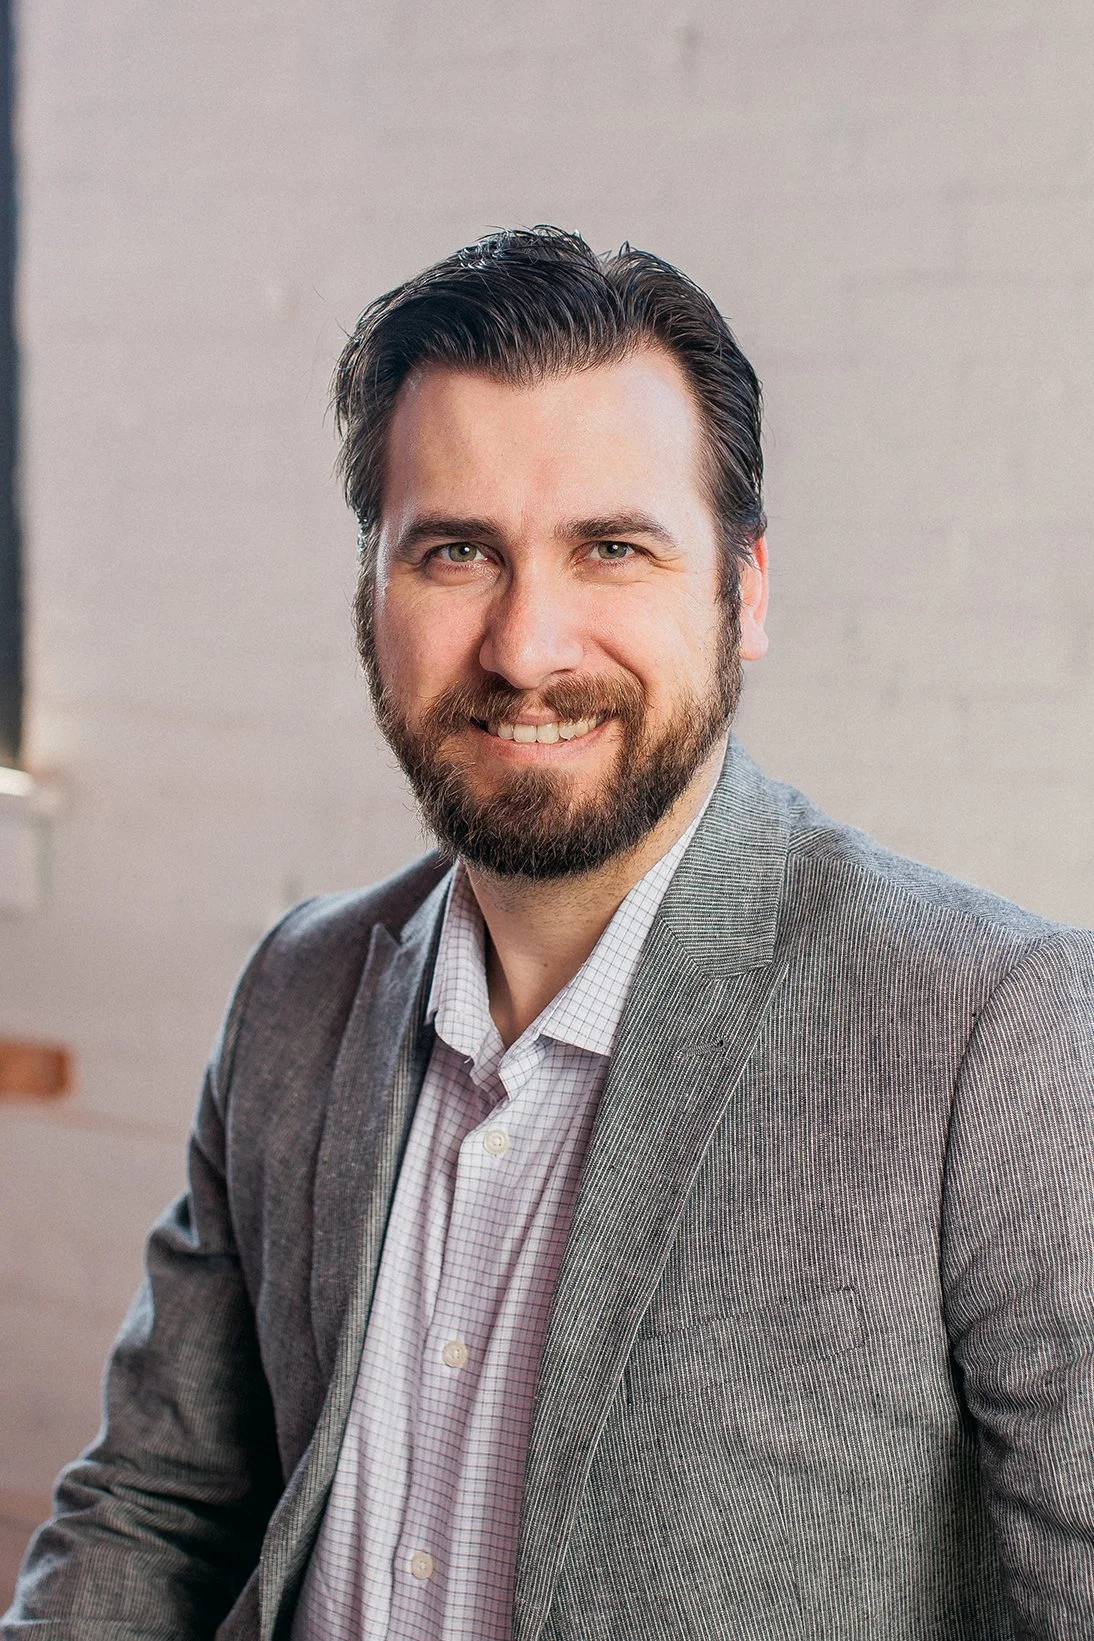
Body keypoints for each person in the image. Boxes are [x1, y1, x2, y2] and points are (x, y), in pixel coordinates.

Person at [5, 227, 1093, 1641]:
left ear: (745, 590)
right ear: (371, 594)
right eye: (456, 552)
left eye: (612, 549)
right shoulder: (297, 989)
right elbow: (158, 1507)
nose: (526, 648)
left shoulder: (996, 1036)